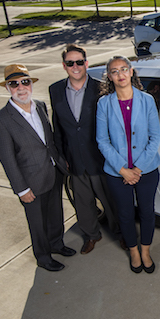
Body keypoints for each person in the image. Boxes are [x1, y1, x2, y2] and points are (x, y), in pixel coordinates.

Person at [0, 64, 76, 272]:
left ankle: (57, 244)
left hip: (53, 172)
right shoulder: (0, 121)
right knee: (38, 223)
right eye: (14, 84)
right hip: (30, 182)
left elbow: (49, 141)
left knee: (56, 213)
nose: (21, 88)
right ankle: (43, 256)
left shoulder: (40, 106)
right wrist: (21, 189)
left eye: (25, 82)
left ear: (31, 84)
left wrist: (60, 161)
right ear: (7, 88)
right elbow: (7, 159)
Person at [49, 44, 122, 255]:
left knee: (111, 202)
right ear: (64, 66)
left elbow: (113, 125)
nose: (75, 66)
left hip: (100, 159)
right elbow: (58, 126)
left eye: (79, 62)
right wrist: (61, 157)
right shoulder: (55, 90)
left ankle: (121, 234)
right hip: (74, 160)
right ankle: (92, 236)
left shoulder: (101, 89)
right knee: (83, 204)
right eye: (70, 63)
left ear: (86, 64)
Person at [96, 56, 160, 274]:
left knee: (147, 213)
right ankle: (133, 251)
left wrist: (138, 169)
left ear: (131, 72)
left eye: (124, 69)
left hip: (147, 170)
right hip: (117, 174)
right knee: (124, 214)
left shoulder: (147, 100)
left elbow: (155, 138)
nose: (120, 74)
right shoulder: (104, 104)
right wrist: (123, 170)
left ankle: (145, 250)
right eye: (115, 71)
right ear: (110, 77)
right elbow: (102, 141)